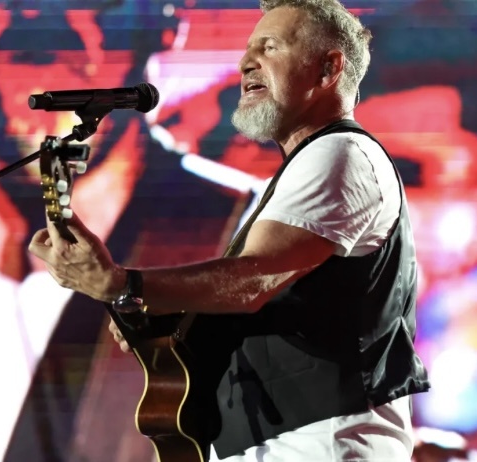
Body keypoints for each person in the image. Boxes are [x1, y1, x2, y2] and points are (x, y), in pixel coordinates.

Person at [28, 0, 431, 461]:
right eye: (247, 49)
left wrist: (125, 283)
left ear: (328, 68)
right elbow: (277, 303)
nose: (246, 63)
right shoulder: (310, 165)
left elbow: (253, 278)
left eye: (270, 47)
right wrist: (163, 316)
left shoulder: (341, 153)